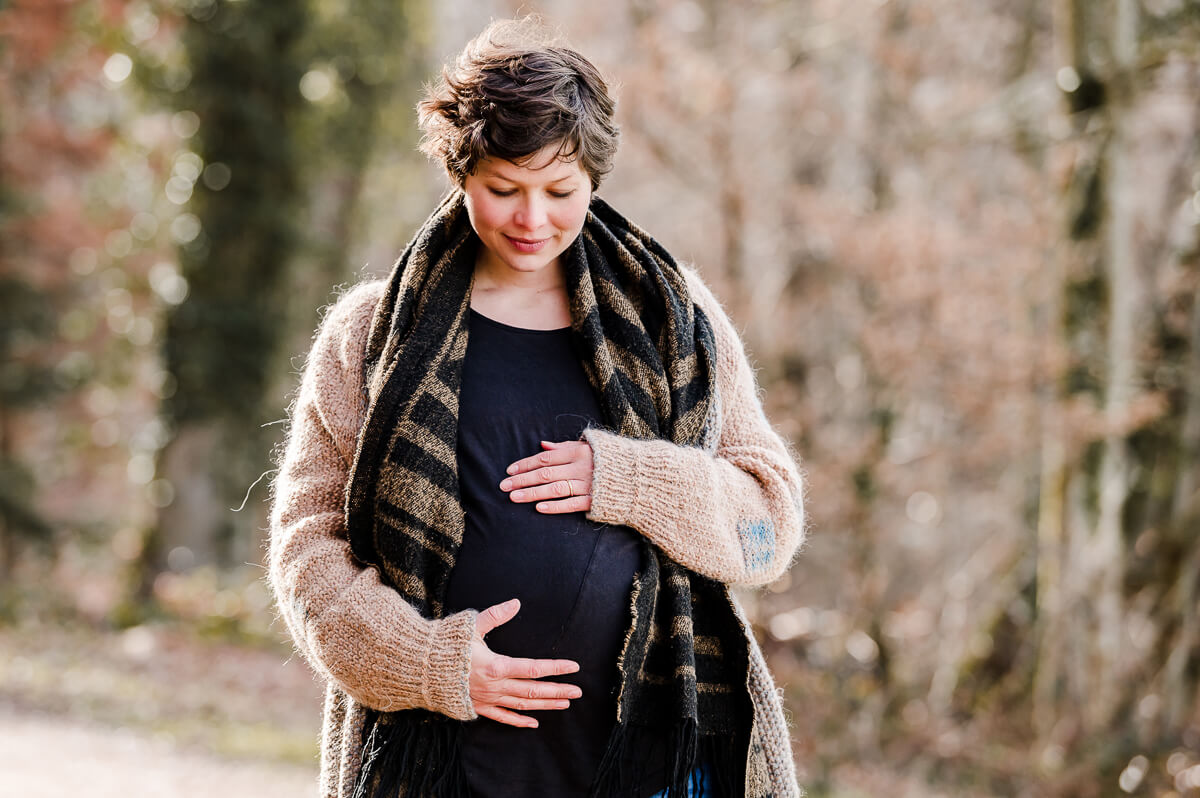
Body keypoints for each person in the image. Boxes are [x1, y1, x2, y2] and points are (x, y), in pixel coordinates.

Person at [267, 17, 806, 798]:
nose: (532, 220)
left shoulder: (673, 322)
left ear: (593, 179)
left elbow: (768, 529)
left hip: (651, 764)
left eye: (560, 192)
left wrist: (631, 481)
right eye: (503, 190)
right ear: (460, 176)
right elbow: (306, 552)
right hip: (439, 763)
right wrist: (429, 663)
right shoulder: (372, 333)